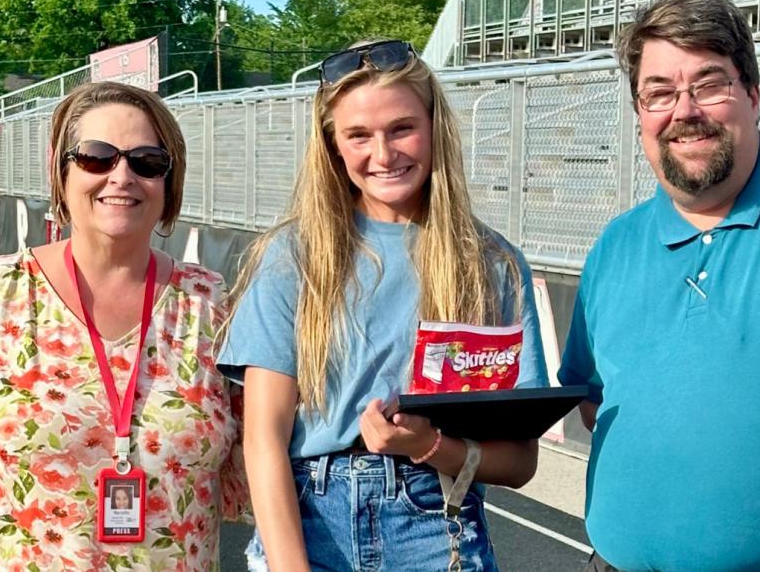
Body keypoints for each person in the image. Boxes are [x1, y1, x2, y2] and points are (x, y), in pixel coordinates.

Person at [218, 39, 549, 571]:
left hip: (434, 523)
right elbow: (262, 438)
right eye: (358, 136)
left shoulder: (491, 265)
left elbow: (519, 463)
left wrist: (429, 444)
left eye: (401, 128)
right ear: (333, 146)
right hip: (310, 520)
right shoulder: (294, 256)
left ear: (434, 126)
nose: (383, 154)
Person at [558, 0, 760, 572]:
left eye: (710, 84)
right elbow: (594, 402)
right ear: (640, 111)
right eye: (660, 93)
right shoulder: (613, 248)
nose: (685, 110)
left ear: (751, 93)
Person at [0, 81, 248, 570]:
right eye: (96, 157)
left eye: (147, 161)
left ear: (168, 181)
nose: (122, 176)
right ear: (61, 172)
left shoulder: (210, 305)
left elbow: (268, 463)